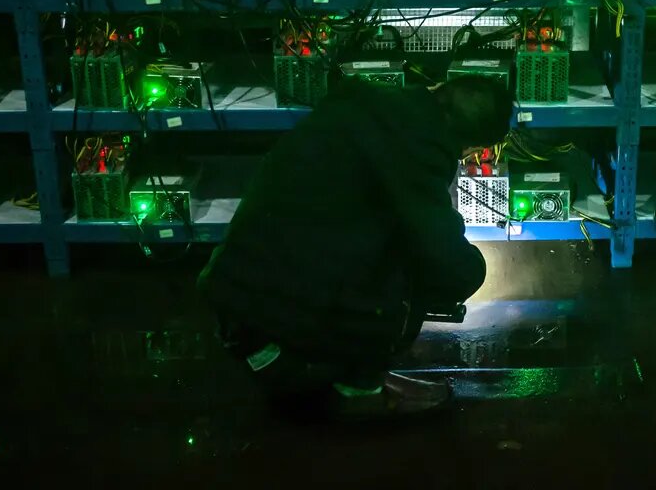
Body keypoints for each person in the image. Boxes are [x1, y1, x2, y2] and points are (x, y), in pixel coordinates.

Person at [197, 73, 513, 418]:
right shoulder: (417, 147)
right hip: (268, 333)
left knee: (380, 241)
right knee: (424, 270)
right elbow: (443, 254)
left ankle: (323, 362)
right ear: (469, 146)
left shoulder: (361, 105)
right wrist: (472, 271)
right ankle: (359, 391)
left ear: (436, 89)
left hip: (237, 302)